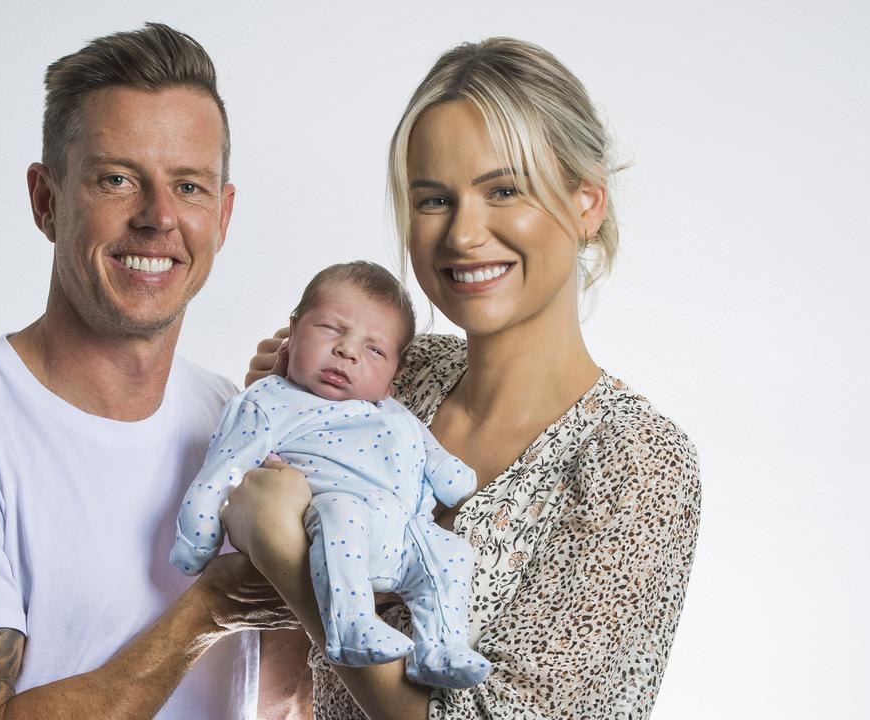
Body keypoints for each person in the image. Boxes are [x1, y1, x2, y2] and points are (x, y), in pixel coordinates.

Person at [234, 37, 702, 719]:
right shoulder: (397, 372)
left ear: (586, 203)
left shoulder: (636, 463)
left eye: (504, 190)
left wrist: (290, 555)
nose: (463, 235)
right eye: (433, 200)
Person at [0, 24, 302, 720]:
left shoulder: (229, 419)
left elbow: (264, 701)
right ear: (46, 200)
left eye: (189, 186)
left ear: (224, 214)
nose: (158, 218)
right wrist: (206, 610)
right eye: (116, 179)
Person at [172, 262, 490, 689]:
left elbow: (441, 467)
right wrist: (197, 539)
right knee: (344, 514)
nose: (349, 351)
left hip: (403, 534)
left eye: (375, 350)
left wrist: (456, 479)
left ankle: (440, 649)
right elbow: (221, 468)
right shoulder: (271, 399)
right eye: (331, 329)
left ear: (395, 375)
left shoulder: (397, 415)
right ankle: (352, 625)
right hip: (333, 521)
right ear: (293, 329)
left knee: (450, 554)